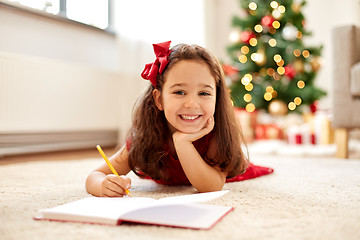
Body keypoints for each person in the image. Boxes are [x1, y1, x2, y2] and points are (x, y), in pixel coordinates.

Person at [85, 41, 273, 197]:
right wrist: (103, 185)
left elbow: (211, 187)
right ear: (159, 99)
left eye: (204, 93)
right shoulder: (146, 136)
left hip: (231, 171)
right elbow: (95, 175)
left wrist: (183, 142)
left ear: (217, 98)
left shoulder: (214, 133)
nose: (192, 103)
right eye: (180, 92)